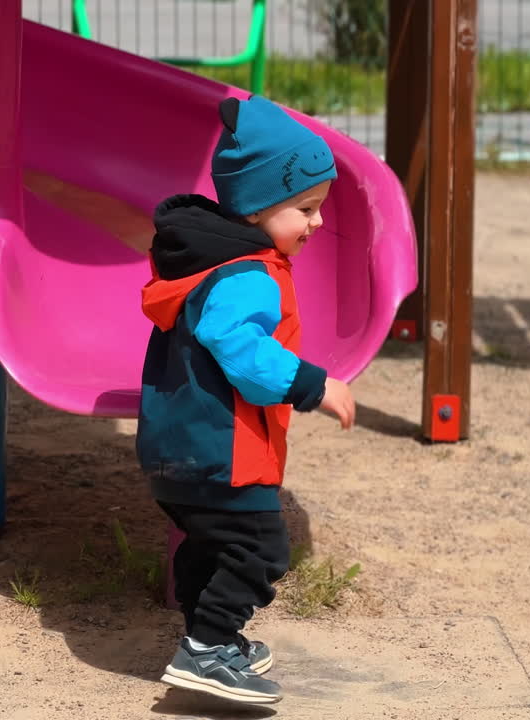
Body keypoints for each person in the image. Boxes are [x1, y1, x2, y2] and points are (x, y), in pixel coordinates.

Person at [136, 95, 356, 705]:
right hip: (218, 451)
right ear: (259, 206)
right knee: (262, 548)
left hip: (179, 449)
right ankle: (207, 650)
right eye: (306, 209)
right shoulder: (244, 275)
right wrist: (316, 385)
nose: (316, 223)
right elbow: (245, 358)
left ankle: (211, 644)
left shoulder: (213, 264)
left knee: (211, 547)